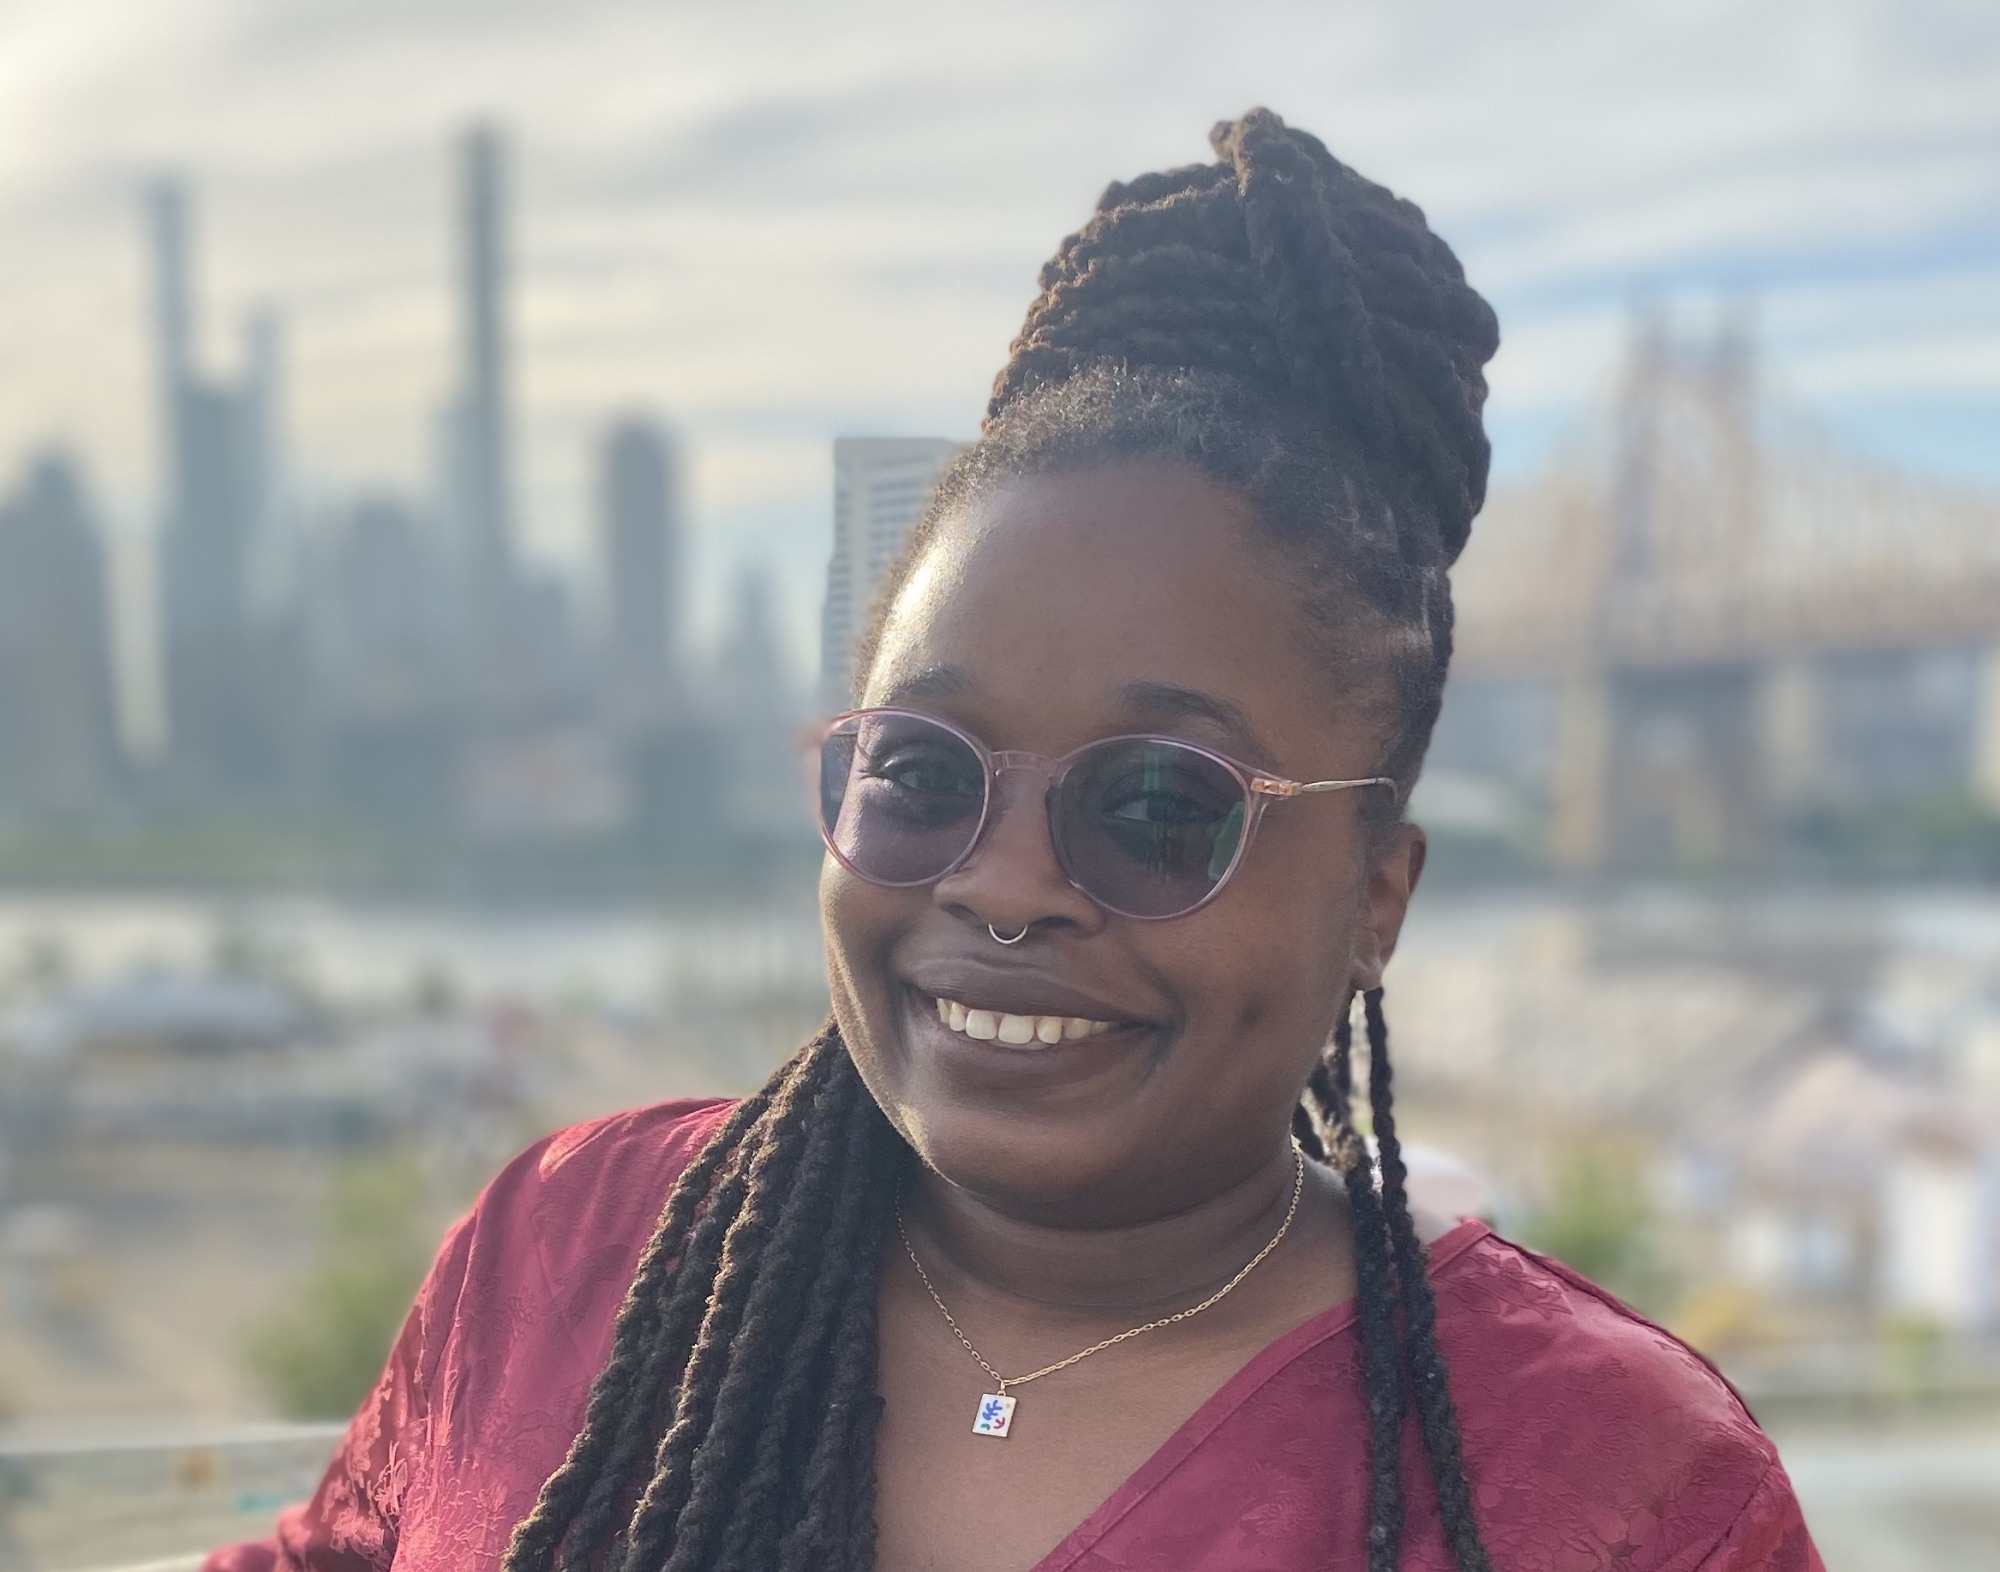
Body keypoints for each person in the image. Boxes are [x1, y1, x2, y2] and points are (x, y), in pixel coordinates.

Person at [209, 109, 1822, 1572]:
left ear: (1373, 902)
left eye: (1155, 804)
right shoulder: (568, 1244)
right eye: (921, 769)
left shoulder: (1622, 1490)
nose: (1000, 881)